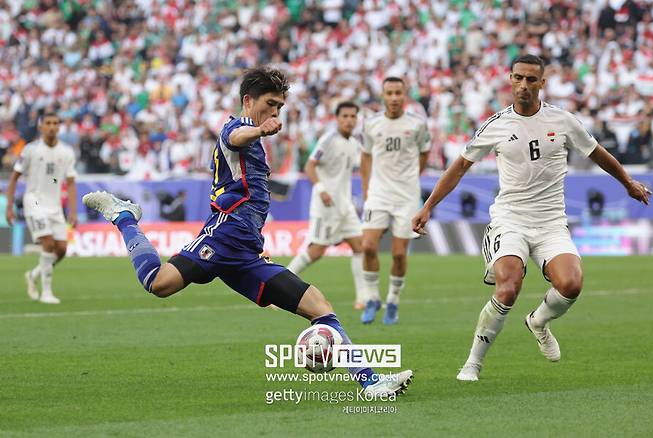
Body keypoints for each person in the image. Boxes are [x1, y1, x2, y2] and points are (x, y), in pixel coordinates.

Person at [83, 67, 412, 395]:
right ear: (248, 100)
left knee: (320, 306)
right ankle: (124, 216)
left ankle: (370, 381)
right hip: (222, 237)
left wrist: (257, 242)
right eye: (270, 104)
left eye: (280, 107)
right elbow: (234, 137)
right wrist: (260, 131)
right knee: (158, 283)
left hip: (246, 251)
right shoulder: (237, 128)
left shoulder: (255, 140)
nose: (275, 112)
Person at [412, 55, 652, 381]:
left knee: (571, 284)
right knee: (509, 287)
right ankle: (473, 363)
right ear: (510, 80)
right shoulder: (496, 125)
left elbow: (598, 154)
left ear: (542, 83)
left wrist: (628, 183)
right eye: (518, 78)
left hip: (552, 222)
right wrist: (428, 206)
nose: (523, 85)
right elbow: (459, 167)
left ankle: (538, 321)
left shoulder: (563, 120)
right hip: (510, 219)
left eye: (530, 79)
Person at [360, 77, 431, 324]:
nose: (393, 98)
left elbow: (424, 153)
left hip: (406, 196)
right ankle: (371, 298)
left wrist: (411, 178)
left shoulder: (417, 124)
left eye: (398, 93)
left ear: (405, 95)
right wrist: (367, 188)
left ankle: (392, 300)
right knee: (368, 246)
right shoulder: (371, 124)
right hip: (378, 194)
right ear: (383, 95)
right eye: (389, 93)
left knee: (399, 254)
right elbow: (366, 156)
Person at [287, 101, 367, 309]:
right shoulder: (328, 139)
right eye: (345, 116)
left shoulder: (353, 142)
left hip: (344, 205)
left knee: (360, 246)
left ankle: (363, 298)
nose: (349, 120)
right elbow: (309, 165)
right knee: (316, 251)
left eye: (353, 116)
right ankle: (279, 288)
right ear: (337, 118)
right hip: (326, 206)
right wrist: (321, 189)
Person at [5, 112, 78, 304]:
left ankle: (33, 274)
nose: (52, 126)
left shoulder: (67, 152)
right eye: (48, 123)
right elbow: (14, 178)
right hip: (34, 201)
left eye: (55, 123)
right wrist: (9, 207)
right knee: (48, 242)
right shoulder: (30, 150)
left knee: (61, 249)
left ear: (59, 127)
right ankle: (46, 292)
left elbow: (70, 182)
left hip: (54, 205)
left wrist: (73, 210)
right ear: (41, 127)